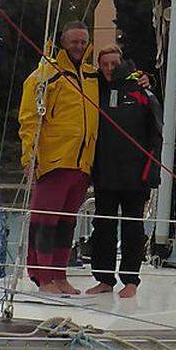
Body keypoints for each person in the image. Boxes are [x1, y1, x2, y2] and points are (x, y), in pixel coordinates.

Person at [18, 21, 100, 295]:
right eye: (74, 41)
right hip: (53, 160)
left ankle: (60, 275)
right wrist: (29, 157)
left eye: (83, 41)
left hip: (82, 162)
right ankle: (43, 277)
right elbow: (29, 120)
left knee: (67, 222)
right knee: (45, 221)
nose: (78, 46)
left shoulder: (91, 76)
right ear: (63, 43)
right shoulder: (45, 76)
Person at [85, 45, 162, 299]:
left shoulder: (142, 91)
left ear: (123, 63)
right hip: (105, 173)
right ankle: (104, 279)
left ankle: (130, 280)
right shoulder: (94, 88)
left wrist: (151, 173)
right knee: (103, 227)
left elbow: (156, 135)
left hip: (135, 176)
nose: (109, 69)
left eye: (113, 64)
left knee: (132, 229)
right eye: (104, 64)